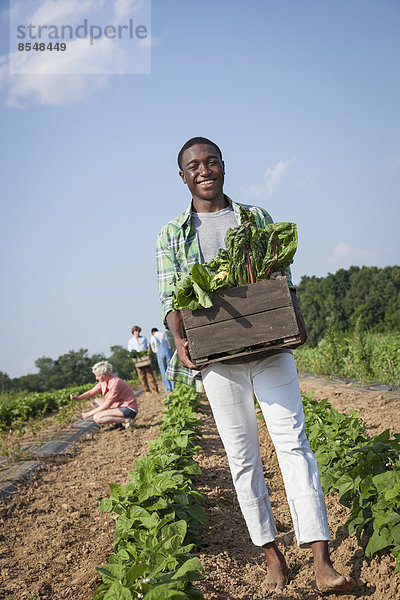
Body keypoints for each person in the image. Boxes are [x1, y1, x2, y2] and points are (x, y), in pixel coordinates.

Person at [155, 137, 355, 594]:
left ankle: (322, 560)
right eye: (194, 166)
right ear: (182, 176)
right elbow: (171, 299)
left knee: (294, 444)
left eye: (212, 162)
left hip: (269, 350)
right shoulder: (171, 234)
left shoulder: (255, 218)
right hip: (220, 361)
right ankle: (272, 557)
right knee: (243, 459)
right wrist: (179, 337)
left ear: (223, 167)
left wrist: (295, 316)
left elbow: (281, 277)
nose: (204, 171)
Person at [70, 360, 138, 430]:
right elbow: (91, 392)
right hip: (118, 406)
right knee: (94, 401)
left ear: (105, 374)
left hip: (128, 409)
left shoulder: (115, 383)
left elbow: (106, 406)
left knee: (97, 417)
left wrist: (88, 414)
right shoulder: (103, 381)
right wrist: (78, 397)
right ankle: (116, 423)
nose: (96, 378)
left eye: (98, 376)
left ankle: (126, 420)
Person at [127, 325, 159, 394]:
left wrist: (148, 353)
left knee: (151, 376)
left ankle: (155, 389)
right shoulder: (131, 341)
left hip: (145, 359)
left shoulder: (144, 339)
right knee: (142, 377)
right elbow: (131, 351)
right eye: (135, 331)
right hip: (138, 361)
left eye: (138, 331)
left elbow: (147, 347)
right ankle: (147, 391)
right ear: (133, 332)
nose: (137, 333)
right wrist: (133, 358)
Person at [150, 327, 175, 393]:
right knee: (171, 369)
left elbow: (153, 348)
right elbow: (169, 345)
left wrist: (156, 352)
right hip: (167, 352)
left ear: (153, 332)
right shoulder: (164, 334)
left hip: (160, 354)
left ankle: (168, 389)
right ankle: (173, 386)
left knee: (163, 371)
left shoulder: (153, 337)